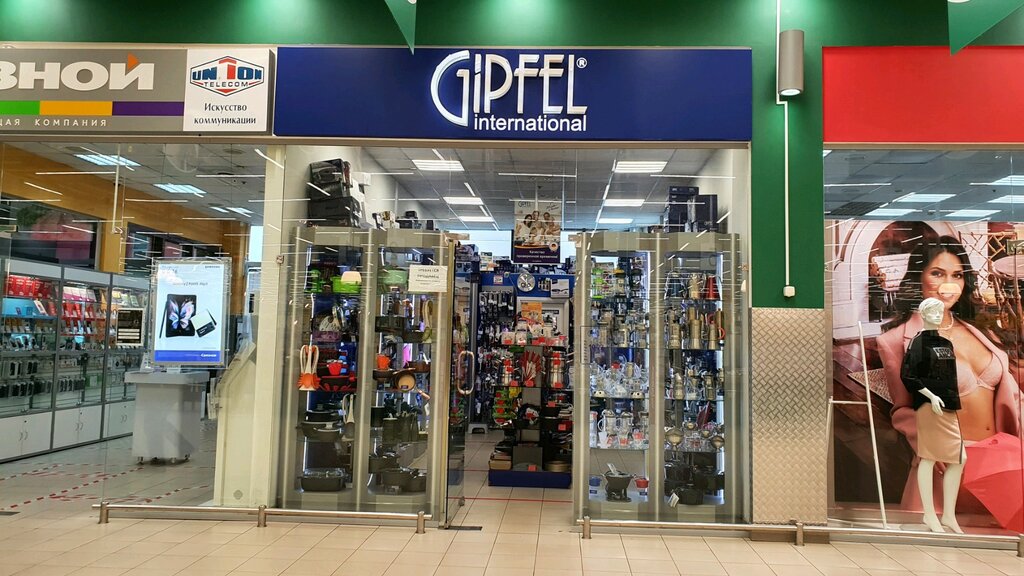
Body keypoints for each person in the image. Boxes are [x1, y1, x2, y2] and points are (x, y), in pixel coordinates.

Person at [876, 235, 1022, 514]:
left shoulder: (982, 332)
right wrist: (931, 443)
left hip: (999, 462)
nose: (948, 285)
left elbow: (1014, 398)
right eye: (937, 273)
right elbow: (902, 410)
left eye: (957, 275)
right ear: (918, 278)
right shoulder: (895, 341)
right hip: (947, 462)